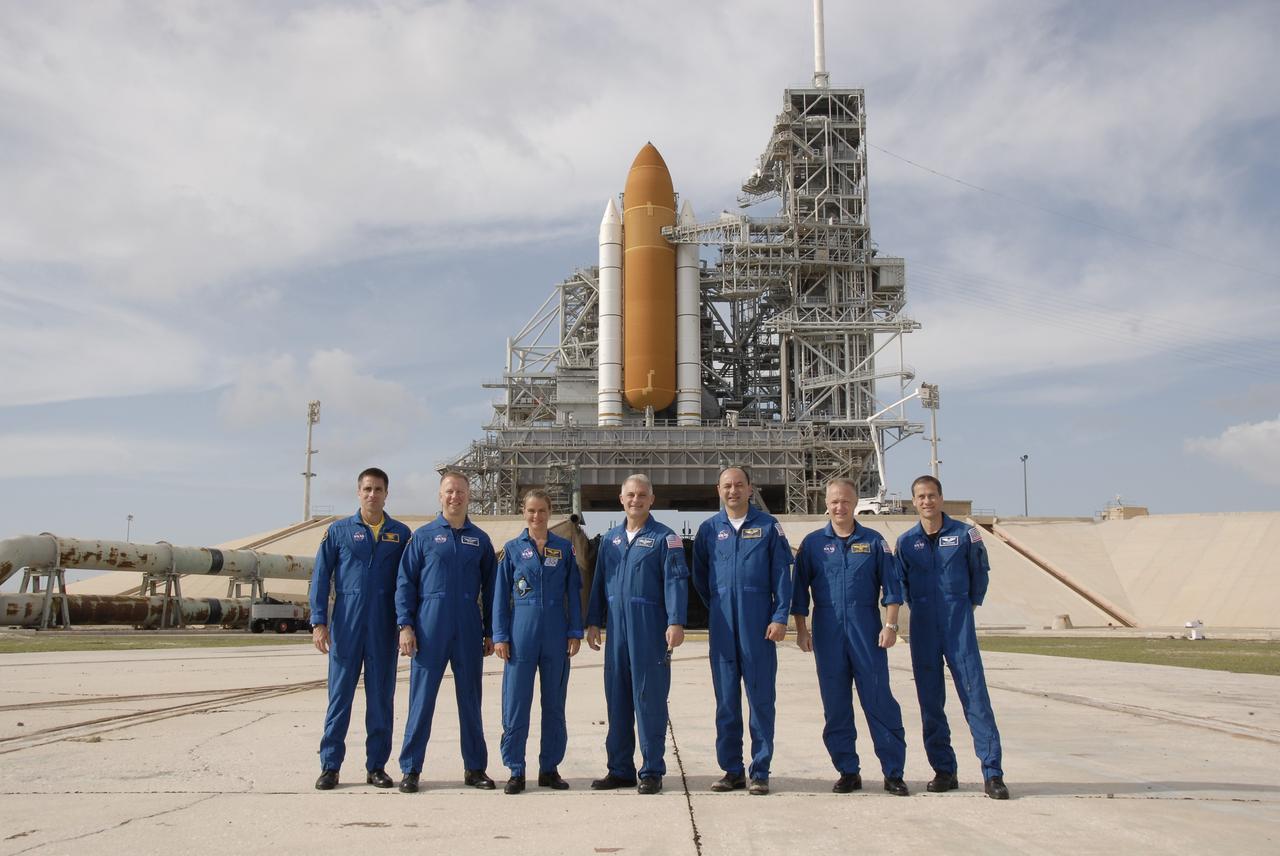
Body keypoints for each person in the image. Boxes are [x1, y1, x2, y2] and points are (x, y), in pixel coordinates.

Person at [791, 477, 910, 797]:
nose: (839, 507)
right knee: (836, 706)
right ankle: (847, 770)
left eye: (845, 501)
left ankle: (893, 772)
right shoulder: (813, 544)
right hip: (827, 630)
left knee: (879, 700)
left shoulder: (874, 541)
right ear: (825, 504)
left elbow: (893, 587)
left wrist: (891, 626)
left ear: (855, 502)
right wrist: (802, 631)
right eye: (833, 501)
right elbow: (799, 592)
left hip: (866, 629)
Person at [896, 475, 1009, 800]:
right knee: (930, 703)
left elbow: (980, 573)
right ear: (913, 501)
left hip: (958, 626)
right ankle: (944, 770)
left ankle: (993, 773)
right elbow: (902, 584)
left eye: (932, 495)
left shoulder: (965, 534)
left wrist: (968, 603)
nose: (927, 501)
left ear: (941, 498)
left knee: (975, 698)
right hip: (923, 628)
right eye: (921, 496)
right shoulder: (906, 542)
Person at [585, 474, 689, 795]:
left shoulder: (665, 538)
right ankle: (619, 769)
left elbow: (675, 581)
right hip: (616, 627)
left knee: (649, 698)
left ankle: (652, 770)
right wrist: (593, 621)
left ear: (651, 499)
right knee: (617, 699)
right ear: (621, 499)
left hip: (649, 625)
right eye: (630, 494)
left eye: (642, 494)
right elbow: (598, 581)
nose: (636, 500)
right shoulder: (610, 540)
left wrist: (675, 621)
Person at [691, 466, 792, 796]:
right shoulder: (709, 530)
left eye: (738, 485)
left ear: (750, 489)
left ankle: (760, 770)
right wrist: (718, 607)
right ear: (718, 490)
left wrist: (779, 616)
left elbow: (781, 575)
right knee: (726, 702)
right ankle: (731, 770)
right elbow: (701, 577)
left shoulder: (768, 527)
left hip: (758, 624)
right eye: (726, 486)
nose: (732, 491)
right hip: (722, 625)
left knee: (761, 699)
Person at [309, 467, 412, 791]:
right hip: (347, 626)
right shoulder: (338, 532)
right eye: (367, 489)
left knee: (381, 699)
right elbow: (320, 578)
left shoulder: (400, 534)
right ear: (358, 492)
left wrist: (405, 624)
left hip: (383, 627)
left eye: (378, 489)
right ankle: (330, 767)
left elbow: (407, 582)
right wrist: (318, 622)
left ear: (386, 493)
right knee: (339, 698)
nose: (372, 494)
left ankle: (376, 766)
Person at [395, 471, 498, 793]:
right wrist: (406, 625)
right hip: (429, 626)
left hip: (467, 626)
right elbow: (405, 583)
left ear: (469, 496)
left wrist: (491, 631)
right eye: (449, 492)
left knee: (471, 700)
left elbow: (492, 589)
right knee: (421, 700)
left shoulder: (480, 540)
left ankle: (475, 768)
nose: (455, 497)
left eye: (461, 492)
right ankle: (411, 769)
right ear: (440, 496)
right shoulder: (423, 537)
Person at [492, 489, 584, 794]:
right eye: (531, 511)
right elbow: (499, 597)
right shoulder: (512, 549)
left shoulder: (564, 549)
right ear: (524, 512)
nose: (536, 516)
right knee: (516, 703)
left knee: (554, 704)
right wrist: (501, 636)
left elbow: (574, 591)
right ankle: (516, 769)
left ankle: (549, 768)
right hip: (521, 633)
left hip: (556, 633)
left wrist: (575, 631)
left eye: (542, 511)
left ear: (549, 512)